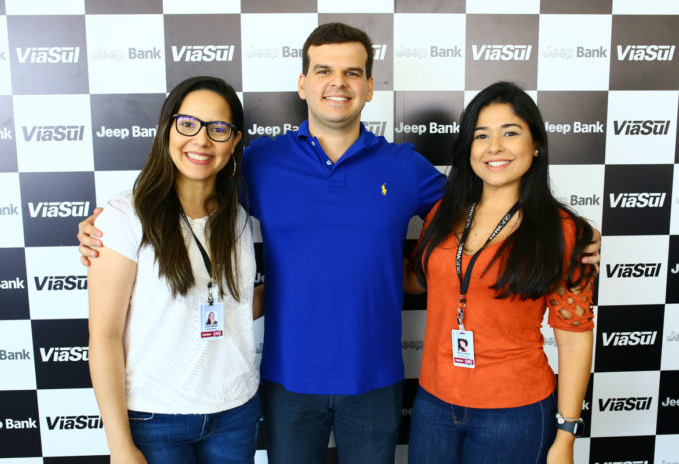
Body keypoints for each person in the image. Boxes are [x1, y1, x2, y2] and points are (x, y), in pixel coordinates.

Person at [78, 24, 600, 463]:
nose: (338, 83)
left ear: (370, 86)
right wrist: (108, 223)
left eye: (352, 72)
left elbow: (485, 200)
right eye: (324, 70)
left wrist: (568, 229)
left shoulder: (404, 166)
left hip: (374, 381)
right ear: (303, 83)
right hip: (284, 381)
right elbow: (191, 188)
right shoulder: (258, 163)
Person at [405, 82, 596, 464]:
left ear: (536, 144)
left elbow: (574, 340)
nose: (494, 147)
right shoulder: (443, 213)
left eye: (510, 132)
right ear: (468, 149)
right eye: (481, 135)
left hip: (515, 413)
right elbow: (414, 283)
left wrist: (567, 434)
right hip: (433, 405)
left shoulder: (564, 232)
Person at [87, 76, 260, 464]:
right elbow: (104, 338)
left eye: (218, 129)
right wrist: (119, 447)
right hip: (154, 418)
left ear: (234, 142)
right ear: (168, 129)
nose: (201, 140)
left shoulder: (238, 219)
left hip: (236, 411)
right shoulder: (124, 217)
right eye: (188, 124)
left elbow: (233, 306)